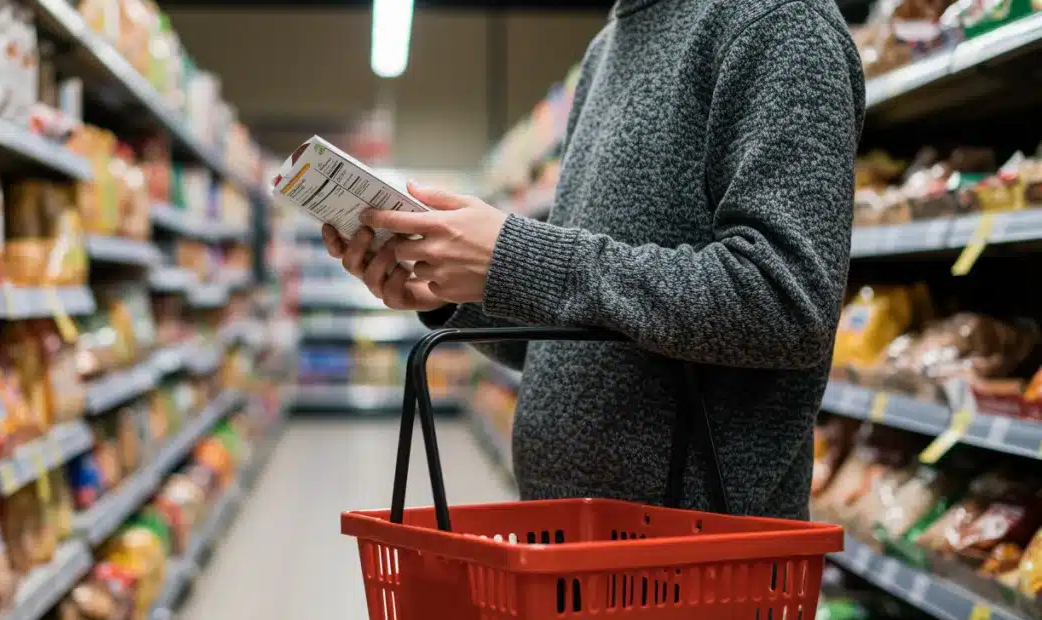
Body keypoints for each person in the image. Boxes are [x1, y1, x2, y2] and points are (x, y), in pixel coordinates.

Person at [322, 0, 864, 520]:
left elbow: (787, 303)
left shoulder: (778, 21)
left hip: (696, 566)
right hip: (573, 540)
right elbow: (584, 323)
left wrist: (517, 256)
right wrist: (450, 288)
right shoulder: (610, 45)